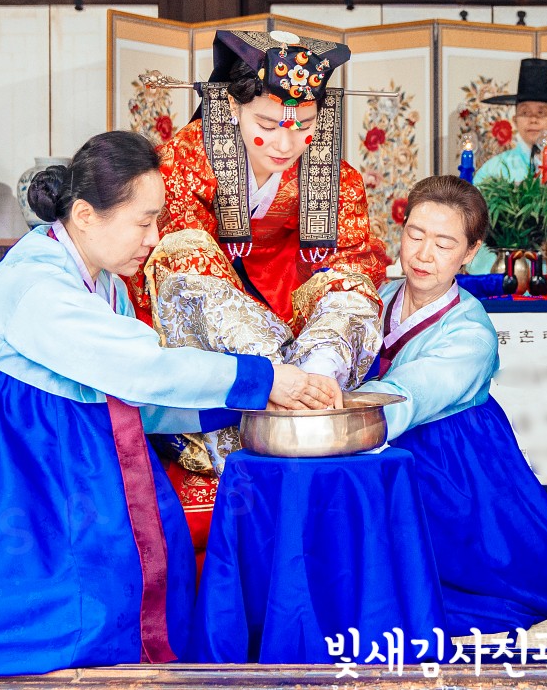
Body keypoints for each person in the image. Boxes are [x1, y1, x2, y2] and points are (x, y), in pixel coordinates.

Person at [0, 132, 343, 680]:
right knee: (46, 610)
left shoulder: (103, 282)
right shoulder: (37, 283)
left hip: (36, 457)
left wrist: (246, 404)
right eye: (144, 222)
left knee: (125, 576)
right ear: (86, 215)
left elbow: (132, 395)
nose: (154, 238)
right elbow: (139, 368)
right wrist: (262, 377)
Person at [142, 28, 391, 499]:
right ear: (232, 107)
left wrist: (319, 368)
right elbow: (186, 266)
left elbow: (350, 264)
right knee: (185, 261)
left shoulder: (333, 175)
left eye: (303, 125)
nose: (285, 142)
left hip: (292, 301)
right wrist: (271, 373)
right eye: (268, 123)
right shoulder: (186, 159)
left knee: (352, 283)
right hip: (219, 311)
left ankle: (314, 391)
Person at [355, 176, 547, 633]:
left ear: (470, 252)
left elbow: (410, 393)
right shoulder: (375, 299)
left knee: (528, 574)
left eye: (444, 244)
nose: (423, 254)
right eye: (415, 235)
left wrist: (337, 412)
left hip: (453, 462)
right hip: (377, 444)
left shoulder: (471, 330)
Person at [468, 57, 547, 281]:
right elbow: (474, 227)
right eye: (525, 112)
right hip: (510, 276)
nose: (533, 120)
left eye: (542, 112)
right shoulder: (493, 171)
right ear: (515, 118)